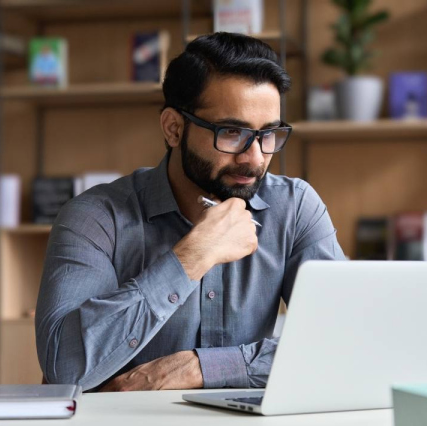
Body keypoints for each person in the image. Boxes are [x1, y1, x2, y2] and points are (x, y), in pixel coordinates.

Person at [35, 32, 345, 392]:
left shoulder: (294, 208)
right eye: (232, 132)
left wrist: (199, 368)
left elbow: (345, 342)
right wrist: (191, 257)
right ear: (173, 128)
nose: (256, 158)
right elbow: (64, 368)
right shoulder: (95, 218)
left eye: (269, 134)